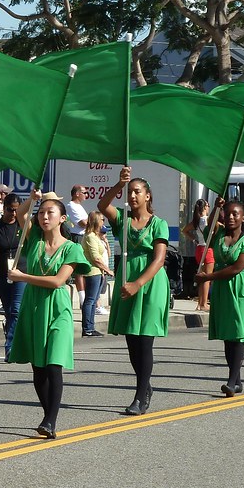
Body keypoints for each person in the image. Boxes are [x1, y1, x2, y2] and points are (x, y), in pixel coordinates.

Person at [7, 189, 90, 438]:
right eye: (41, 213)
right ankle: (47, 415)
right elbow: (20, 215)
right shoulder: (34, 240)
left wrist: (23, 277)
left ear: (62, 218)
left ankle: (51, 419)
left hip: (57, 308)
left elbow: (57, 281)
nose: (44, 217)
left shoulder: (72, 249)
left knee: (54, 364)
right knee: (38, 367)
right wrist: (32, 200)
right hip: (34, 306)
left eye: (50, 212)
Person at [97, 166, 171, 415]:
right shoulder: (123, 219)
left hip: (149, 283)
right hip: (126, 279)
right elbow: (102, 204)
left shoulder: (159, 224)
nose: (132, 196)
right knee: (131, 340)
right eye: (129, 192)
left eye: (137, 191)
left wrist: (138, 283)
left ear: (147, 196)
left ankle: (140, 396)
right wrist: (119, 184)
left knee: (144, 340)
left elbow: (159, 260)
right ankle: (145, 386)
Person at [194, 200, 244, 397]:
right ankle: (237, 380)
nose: (231, 217)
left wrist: (208, 277)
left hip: (240, 288)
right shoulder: (220, 235)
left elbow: (236, 268)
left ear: (243, 217)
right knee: (227, 335)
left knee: (237, 334)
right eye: (228, 213)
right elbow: (206, 230)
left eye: (235, 214)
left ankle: (231, 382)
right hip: (223, 290)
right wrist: (215, 207)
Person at [0, 192, 25, 360]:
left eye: (16, 210)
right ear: (4, 208)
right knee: (8, 311)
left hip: (20, 272)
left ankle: (9, 347)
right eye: (10, 209)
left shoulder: (23, 226)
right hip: (2, 273)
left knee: (16, 309)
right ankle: (14, 341)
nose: (13, 214)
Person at [81, 210, 114, 337]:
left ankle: (91, 326)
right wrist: (107, 269)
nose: (103, 222)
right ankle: (87, 328)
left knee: (94, 300)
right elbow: (95, 257)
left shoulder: (96, 236)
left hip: (99, 272)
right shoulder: (90, 236)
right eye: (102, 220)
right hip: (93, 271)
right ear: (96, 221)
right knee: (90, 300)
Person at [182, 199, 213, 311]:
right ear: (205, 207)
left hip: (199, 248)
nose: (209, 207)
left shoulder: (196, 221)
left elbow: (184, 230)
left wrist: (194, 239)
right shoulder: (208, 220)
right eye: (208, 205)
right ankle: (204, 303)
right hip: (207, 248)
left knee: (201, 277)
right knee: (207, 278)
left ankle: (200, 303)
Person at [66, 185, 89, 308]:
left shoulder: (79, 206)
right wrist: (92, 220)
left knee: (85, 267)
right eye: (84, 192)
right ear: (76, 194)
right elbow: (83, 223)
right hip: (77, 237)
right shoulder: (71, 206)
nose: (86, 194)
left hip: (83, 237)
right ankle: (82, 300)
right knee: (79, 268)